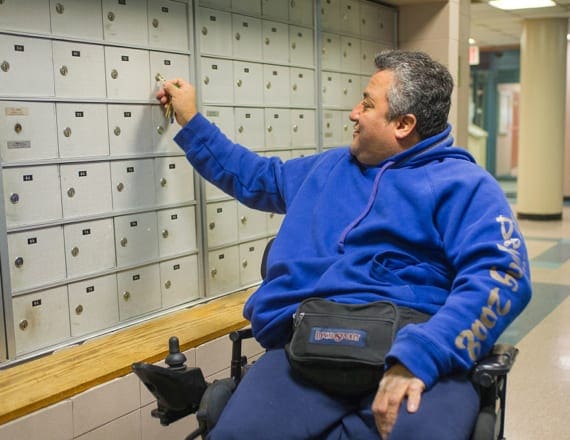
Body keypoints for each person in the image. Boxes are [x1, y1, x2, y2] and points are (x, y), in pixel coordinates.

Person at [156, 50, 531, 439]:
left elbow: (503, 274)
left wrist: (423, 357)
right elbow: (254, 177)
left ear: (403, 124)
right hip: (306, 348)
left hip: (414, 352)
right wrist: (191, 120)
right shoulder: (328, 169)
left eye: (367, 104)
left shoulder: (464, 185)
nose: (353, 113)